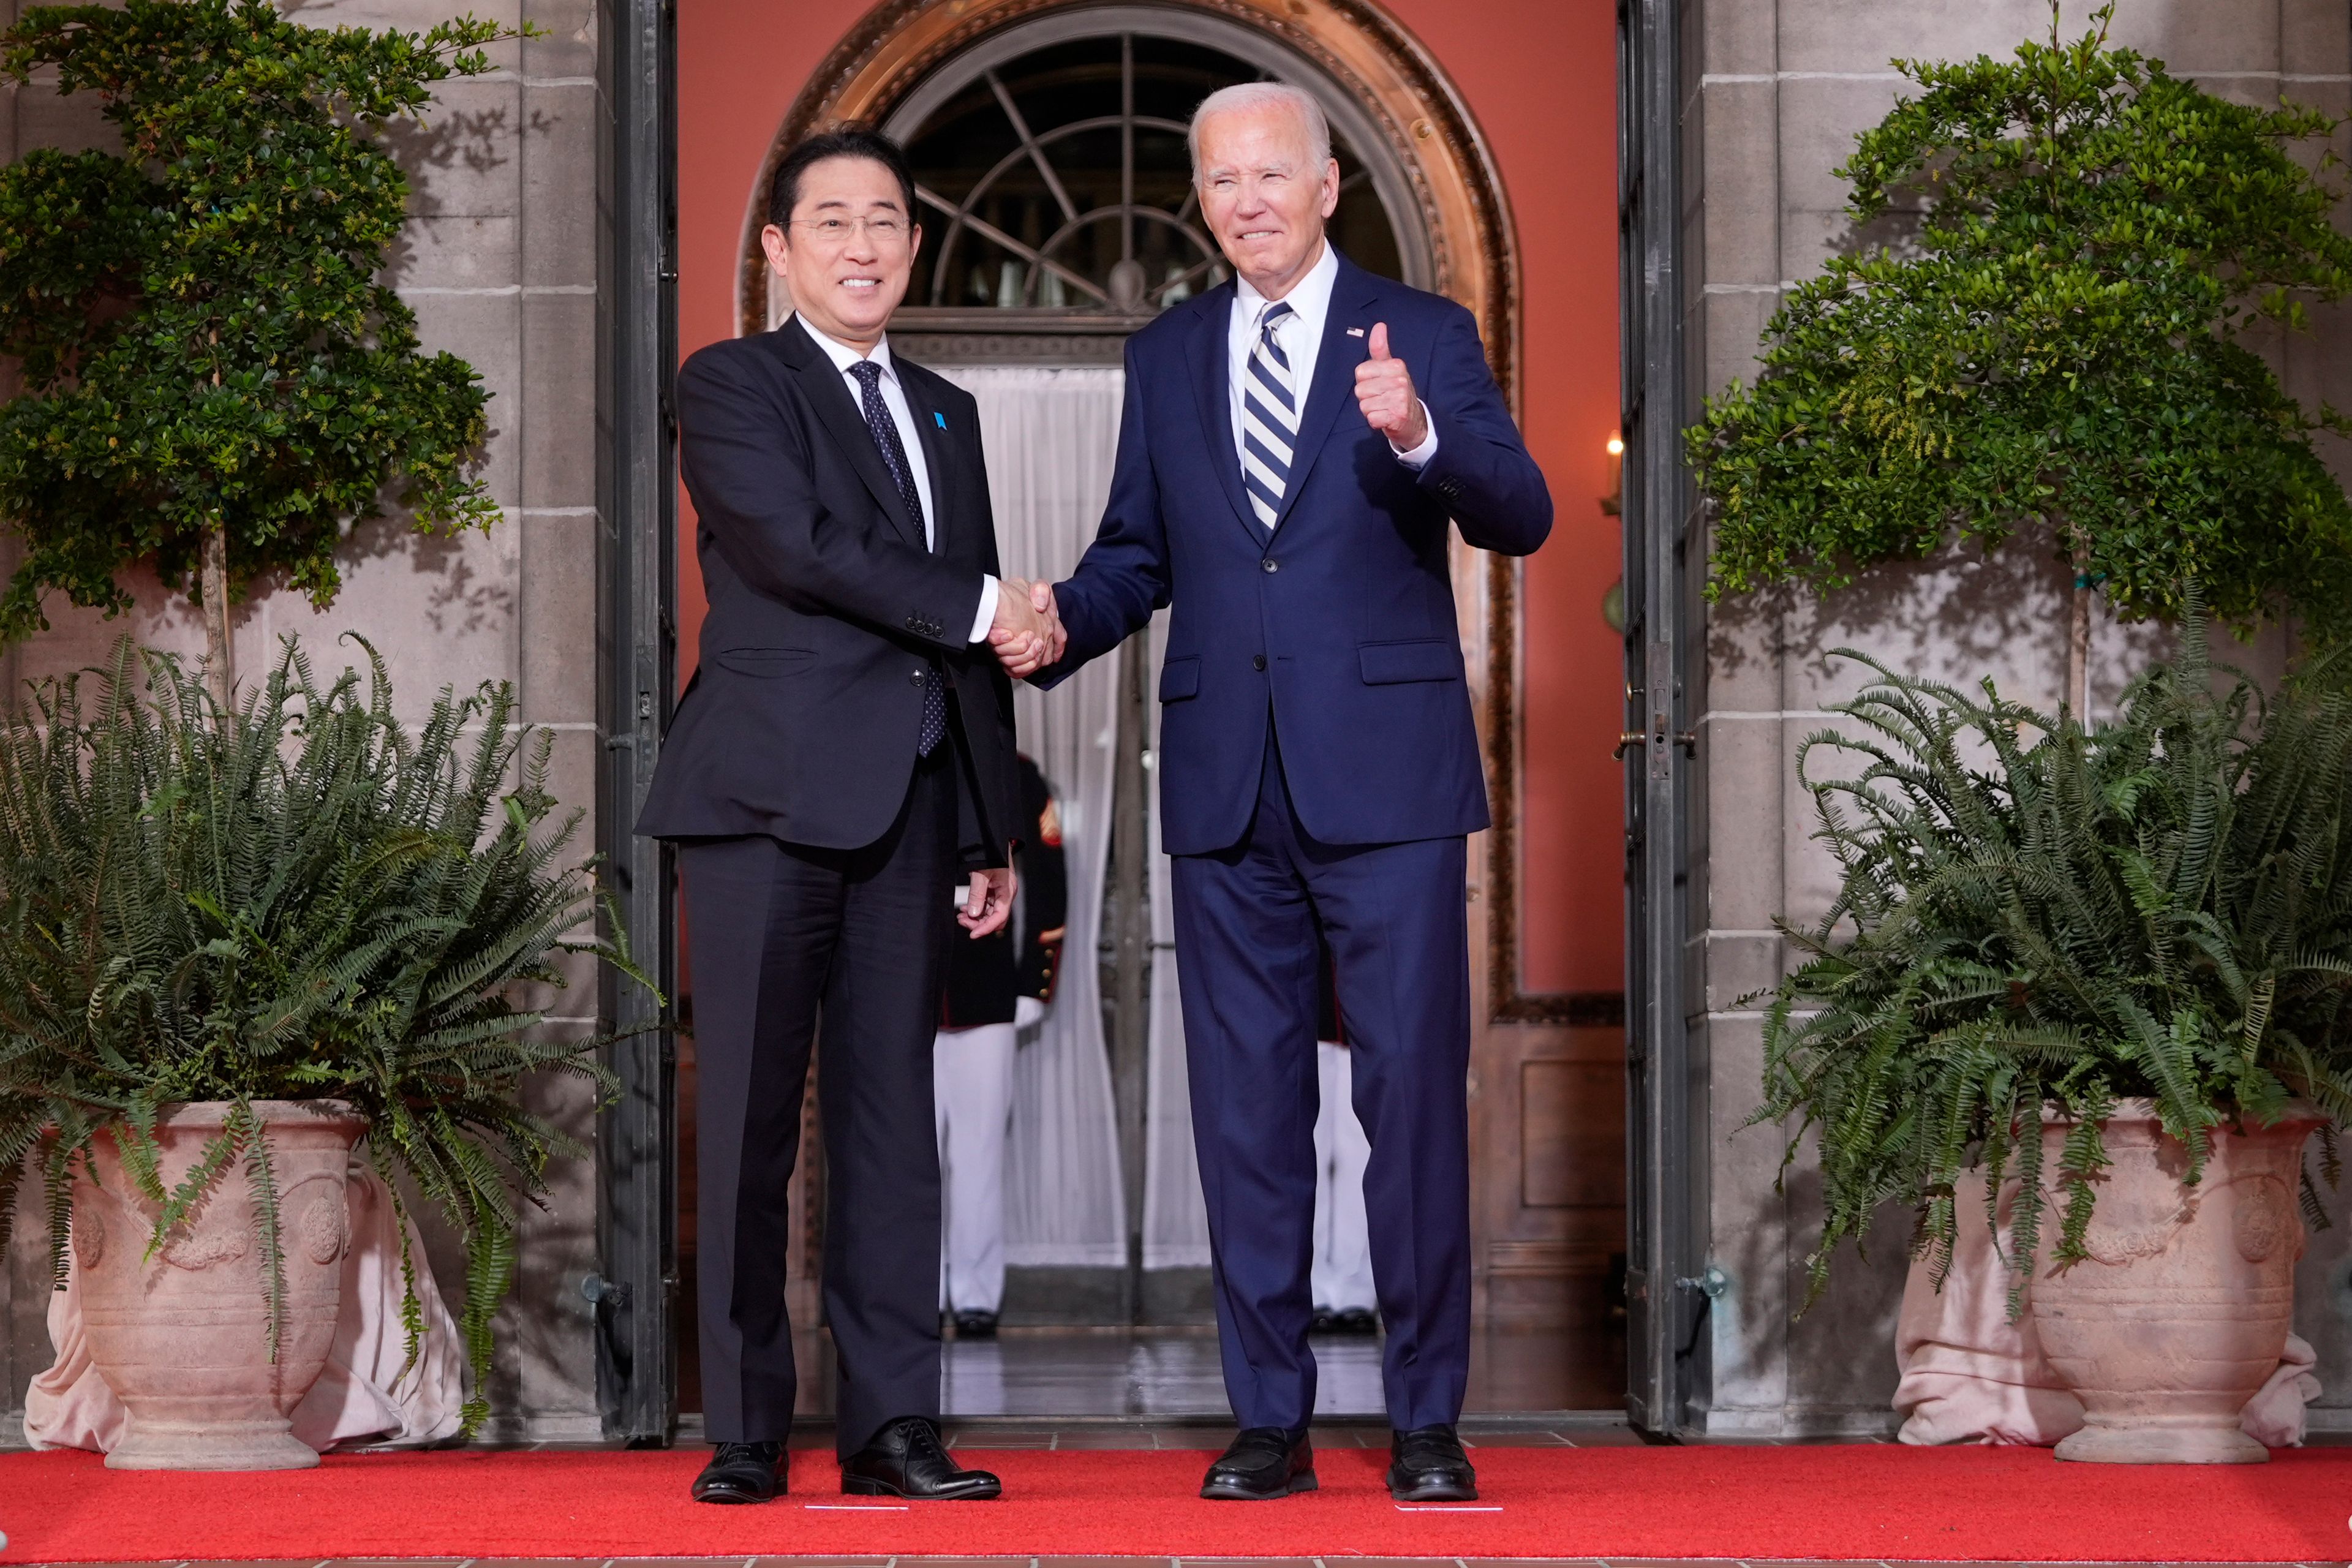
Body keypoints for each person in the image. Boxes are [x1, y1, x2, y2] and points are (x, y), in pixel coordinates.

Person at [1008, 80, 1553, 1502]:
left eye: (1272, 174)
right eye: (1221, 180)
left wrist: (1424, 433)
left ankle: (1426, 1416)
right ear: (1202, 200)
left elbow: (1522, 508)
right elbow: (1142, 554)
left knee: (1408, 1109)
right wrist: (1063, 617)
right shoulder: (1167, 352)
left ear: (1325, 187)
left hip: (1387, 784)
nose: (1246, 199)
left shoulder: (1420, 333)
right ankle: (1270, 1418)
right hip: (1221, 789)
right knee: (1245, 1121)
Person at [637, 124, 1061, 1507]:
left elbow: (963, 635)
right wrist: (990, 606)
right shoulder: (734, 382)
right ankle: (750, 1424)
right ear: (780, 248)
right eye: (833, 222)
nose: (864, 246)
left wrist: (990, 826)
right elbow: (798, 549)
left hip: (915, 809)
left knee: (895, 1129)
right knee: (752, 1121)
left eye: (886, 222)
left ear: (915, 246)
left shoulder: (951, 408)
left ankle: (894, 1426)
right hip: (765, 798)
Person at [935, 753, 1068, 1337]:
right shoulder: (889, 755)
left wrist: (1034, 981)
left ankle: (976, 1297)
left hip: (986, 994)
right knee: (908, 1160)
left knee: (979, 1156)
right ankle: (919, 1291)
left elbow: (1047, 879)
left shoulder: (1015, 774)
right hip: (904, 998)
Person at [1309, 949, 1378, 1336]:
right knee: (1308, 1157)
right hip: (1305, 1010)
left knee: (1360, 1159)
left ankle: (1355, 1292)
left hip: (1363, 1023)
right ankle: (1312, 1290)